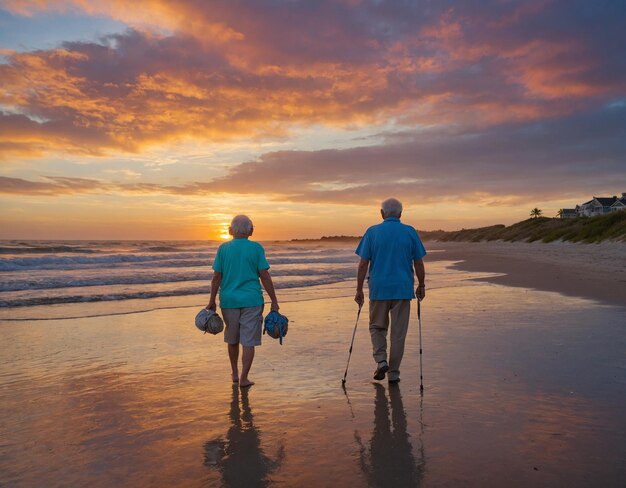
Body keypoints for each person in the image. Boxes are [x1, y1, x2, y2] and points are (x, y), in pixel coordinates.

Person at [354, 198, 426, 383]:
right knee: (398, 333)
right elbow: (418, 262)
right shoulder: (409, 231)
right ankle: (393, 374)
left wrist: (359, 289)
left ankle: (381, 360)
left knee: (377, 327)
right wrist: (421, 285)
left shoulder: (372, 232)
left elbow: (363, 264)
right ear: (400, 214)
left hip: (379, 288)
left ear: (381, 213)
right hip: (402, 288)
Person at [207, 215, 279, 388]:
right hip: (252, 300)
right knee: (248, 341)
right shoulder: (256, 248)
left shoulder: (223, 248)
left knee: (232, 338)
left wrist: (211, 301)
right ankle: (244, 378)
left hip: (229, 300)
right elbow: (264, 275)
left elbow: (217, 277)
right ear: (251, 231)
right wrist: (274, 301)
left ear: (230, 230)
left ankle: (235, 373)